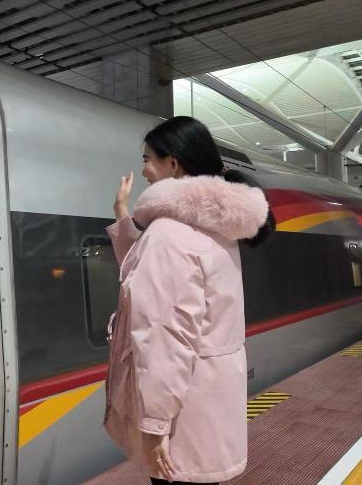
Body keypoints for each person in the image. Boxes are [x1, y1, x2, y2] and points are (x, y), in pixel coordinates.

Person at [103, 116, 274, 484]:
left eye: (147, 159)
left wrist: (154, 424)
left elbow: (165, 338)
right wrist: (122, 215)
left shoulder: (168, 235)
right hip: (210, 406)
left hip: (183, 414)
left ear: (173, 164)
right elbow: (152, 272)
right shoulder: (214, 229)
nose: (144, 170)